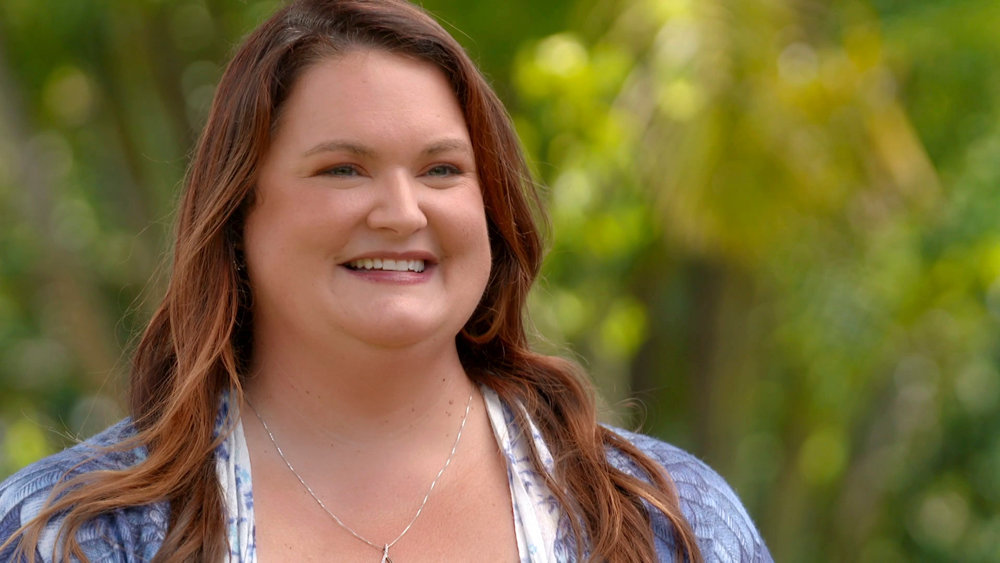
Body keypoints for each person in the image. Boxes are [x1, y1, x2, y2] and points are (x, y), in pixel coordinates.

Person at [0, 0, 771, 561]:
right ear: (238, 216)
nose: (403, 212)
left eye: (442, 170)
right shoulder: (68, 534)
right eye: (344, 169)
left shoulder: (665, 518)